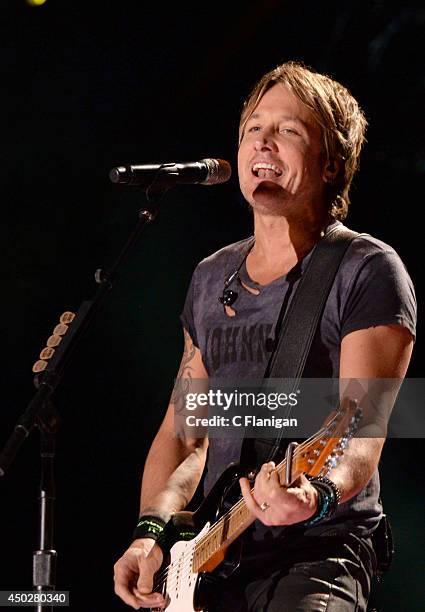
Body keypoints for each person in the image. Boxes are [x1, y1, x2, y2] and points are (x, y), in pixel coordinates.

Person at [113, 61, 416, 611]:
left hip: (318, 549)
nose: (264, 143)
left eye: (289, 131)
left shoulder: (367, 268)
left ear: (331, 163)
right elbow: (185, 435)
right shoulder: (210, 276)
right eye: (254, 128)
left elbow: (364, 427)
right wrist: (150, 533)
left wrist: (316, 495)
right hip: (212, 553)